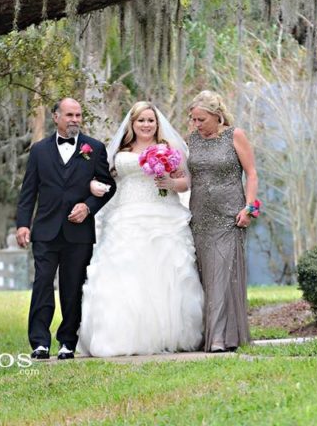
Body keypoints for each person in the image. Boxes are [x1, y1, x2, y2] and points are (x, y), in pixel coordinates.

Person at [78, 101, 203, 357]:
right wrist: (92, 185)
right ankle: (120, 336)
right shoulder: (120, 150)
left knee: (165, 272)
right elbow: (107, 179)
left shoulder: (169, 149)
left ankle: (167, 335)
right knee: (126, 273)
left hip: (163, 215)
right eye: (141, 121)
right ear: (132, 124)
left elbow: (184, 183)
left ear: (157, 124)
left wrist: (169, 181)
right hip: (126, 216)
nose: (146, 125)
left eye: (151, 120)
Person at [16, 98, 116, 360]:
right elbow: (29, 192)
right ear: (55, 117)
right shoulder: (39, 150)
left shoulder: (93, 148)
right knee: (42, 285)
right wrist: (23, 224)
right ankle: (39, 342)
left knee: (73, 288)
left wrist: (88, 206)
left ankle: (67, 342)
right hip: (45, 230)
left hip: (79, 232)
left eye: (78, 115)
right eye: (69, 114)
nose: (74, 119)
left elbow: (108, 186)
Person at [187, 90, 259, 352]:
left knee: (222, 276)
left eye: (201, 119)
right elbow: (188, 179)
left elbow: (251, 174)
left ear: (217, 116)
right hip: (199, 216)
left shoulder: (235, 135)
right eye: (193, 119)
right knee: (206, 278)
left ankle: (218, 338)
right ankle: (214, 334)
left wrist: (250, 208)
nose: (197, 125)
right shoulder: (192, 140)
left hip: (230, 216)